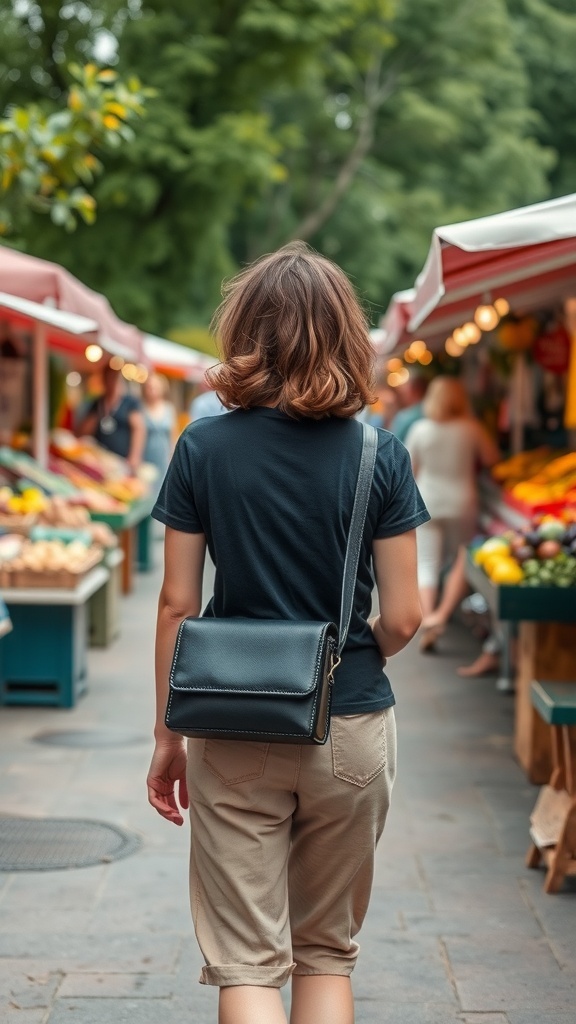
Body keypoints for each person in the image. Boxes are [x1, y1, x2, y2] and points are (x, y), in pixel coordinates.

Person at [146, 241, 428, 1024]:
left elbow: (176, 604)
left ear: (244, 331)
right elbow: (406, 615)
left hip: (231, 723)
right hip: (352, 721)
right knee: (326, 953)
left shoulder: (201, 447)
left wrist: (168, 738)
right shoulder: (383, 455)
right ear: (345, 333)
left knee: (246, 963)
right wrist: (353, 647)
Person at [404, 376, 500, 652]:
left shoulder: (420, 428)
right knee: (461, 556)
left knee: (427, 562)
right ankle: (441, 616)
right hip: (462, 501)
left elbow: (409, 468)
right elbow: (493, 459)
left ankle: (428, 621)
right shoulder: (471, 428)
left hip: (427, 501)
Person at [76, 362, 146, 473]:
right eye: (108, 378)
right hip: (100, 458)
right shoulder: (98, 402)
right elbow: (84, 429)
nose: (111, 383)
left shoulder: (130, 402)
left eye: (114, 379)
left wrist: (134, 456)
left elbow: (139, 429)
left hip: (122, 460)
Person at [141, 373, 177, 495]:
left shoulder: (169, 409)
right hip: (145, 455)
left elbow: (173, 435)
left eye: (155, 387)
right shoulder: (141, 409)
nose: (152, 390)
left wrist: (173, 457)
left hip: (163, 457)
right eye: (149, 387)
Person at [388, 372, 428, 443]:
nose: (403, 392)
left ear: (415, 390)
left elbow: (393, 445)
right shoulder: (431, 413)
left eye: (406, 387)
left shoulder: (405, 417)